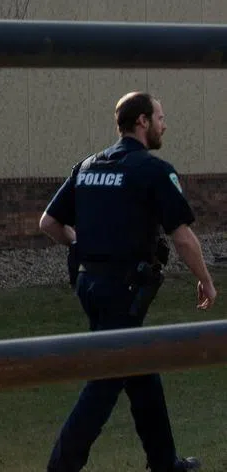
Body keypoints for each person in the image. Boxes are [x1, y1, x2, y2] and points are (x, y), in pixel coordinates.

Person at [39, 91, 216, 472]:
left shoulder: (87, 166)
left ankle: (164, 462)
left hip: (89, 285)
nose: (164, 124)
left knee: (140, 365)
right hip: (124, 289)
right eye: (160, 117)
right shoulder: (151, 170)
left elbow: (49, 223)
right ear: (142, 122)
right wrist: (206, 280)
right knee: (107, 378)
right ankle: (61, 466)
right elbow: (182, 236)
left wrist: (78, 241)